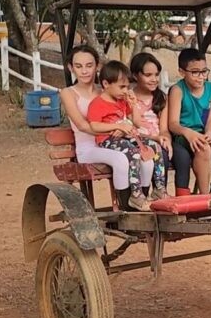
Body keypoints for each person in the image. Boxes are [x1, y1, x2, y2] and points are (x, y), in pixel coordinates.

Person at [59, 45, 154, 210]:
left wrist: (124, 126)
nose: (84, 71)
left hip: (116, 142)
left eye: (89, 65)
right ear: (71, 68)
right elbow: (82, 125)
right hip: (89, 148)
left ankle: (140, 201)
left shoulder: (108, 89)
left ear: (97, 66)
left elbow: (126, 116)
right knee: (120, 159)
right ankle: (125, 209)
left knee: (147, 160)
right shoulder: (68, 93)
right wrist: (115, 128)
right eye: (78, 66)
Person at [86, 60, 168, 211]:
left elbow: (135, 121)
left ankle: (159, 188)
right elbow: (94, 125)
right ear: (106, 84)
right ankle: (136, 195)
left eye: (127, 87)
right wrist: (117, 126)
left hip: (126, 137)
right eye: (122, 87)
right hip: (107, 140)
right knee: (133, 152)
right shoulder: (97, 103)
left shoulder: (122, 101)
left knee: (155, 147)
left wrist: (133, 103)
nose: (125, 91)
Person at [167, 48, 211, 195]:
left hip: (204, 133)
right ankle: (205, 197)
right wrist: (189, 133)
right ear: (182, 72)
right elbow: (173, 124)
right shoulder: (178, 90)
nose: (201, 77)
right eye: (195, 72)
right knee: (203, 148)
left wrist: (209, 134)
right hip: (185, 135)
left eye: (204, 72)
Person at [130, 52, 172, 199]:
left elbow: (164, 129)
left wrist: (166, 139)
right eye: (148, 75)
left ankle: (162, 194)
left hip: (157, 139)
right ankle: (146, 195)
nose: (154, 79)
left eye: (156, 75)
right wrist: (155, 138)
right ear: (135, 75)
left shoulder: (161, 98)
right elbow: (131, 129)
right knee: (156, 153)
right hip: (138, 140)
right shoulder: (129, 97)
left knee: (172, 153)